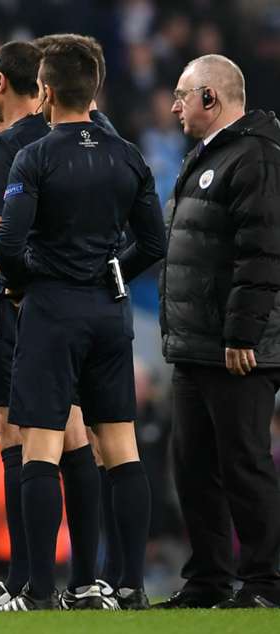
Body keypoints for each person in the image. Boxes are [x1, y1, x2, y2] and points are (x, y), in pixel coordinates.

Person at [0, 40, 166, 611]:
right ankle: (130, 587)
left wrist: (28, 282)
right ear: (94, 90)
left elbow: (9, 245)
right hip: (110, 315)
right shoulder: (129, 156)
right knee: (121, 449)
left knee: (41, 450)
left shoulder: (34, 157)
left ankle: (41, 593)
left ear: (44, 92)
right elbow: (154, 242)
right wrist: (112, 270)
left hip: (53, 312)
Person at [0, 41, 97, 611]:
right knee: (79, 436)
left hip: (20, 307)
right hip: (85, 309)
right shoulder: (97, 137)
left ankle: (28, 584)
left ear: (1, 84)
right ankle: (90, 580)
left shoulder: (9, 148)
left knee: (19, 438)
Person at [156, 54, 280, 610]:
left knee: (244, 464)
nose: (174, 105)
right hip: (196, 344)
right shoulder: (207, 158)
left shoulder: (256, 157)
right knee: (193, 467)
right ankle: (207, 579)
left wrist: (242, 335)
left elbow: (264, 254)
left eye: (183, 94)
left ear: (212, 98)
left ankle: (264, 582)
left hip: (238, 349)